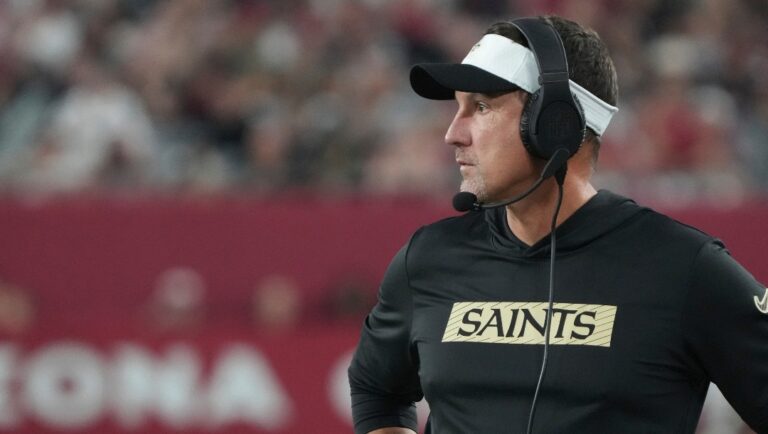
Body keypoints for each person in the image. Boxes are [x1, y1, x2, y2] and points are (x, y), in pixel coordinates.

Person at [347, 15, 768, 434]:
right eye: (457, 108)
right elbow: (374, 387)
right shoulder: (428, 258)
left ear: (555, 121)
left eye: (481, 106)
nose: (453, 134)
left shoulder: (684, 267)